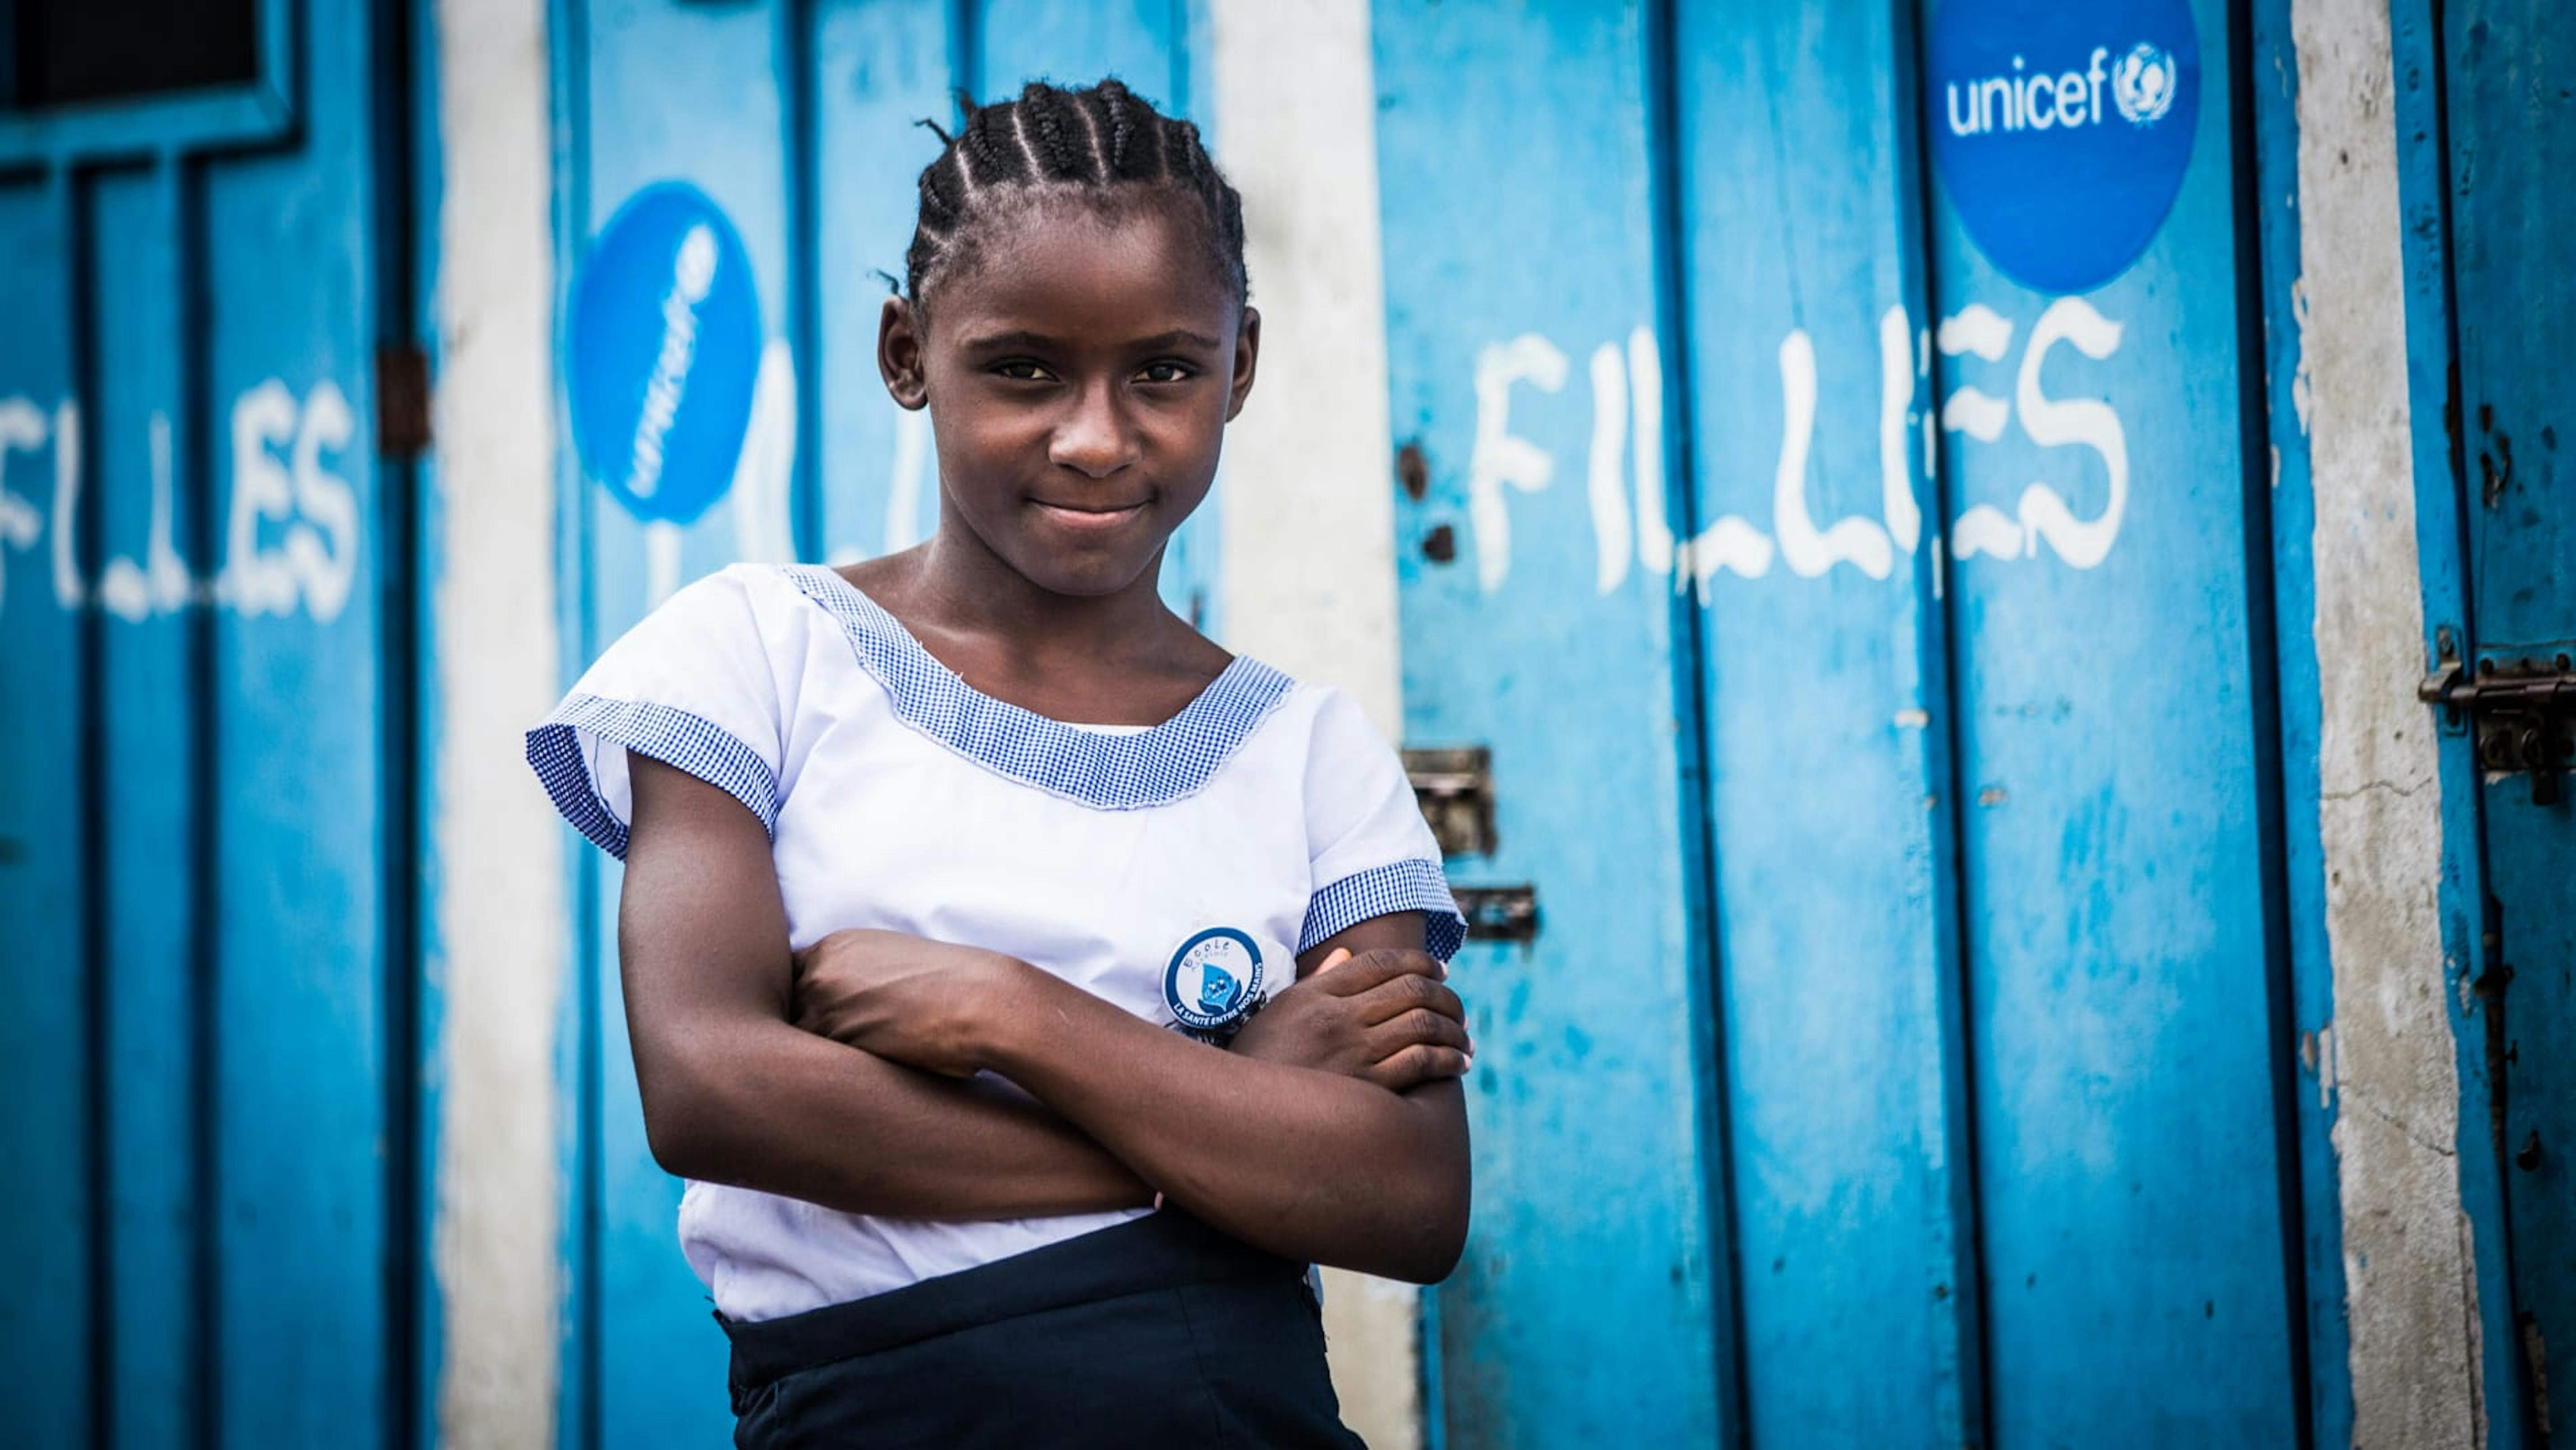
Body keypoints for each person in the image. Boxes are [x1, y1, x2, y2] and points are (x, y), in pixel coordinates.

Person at [526, 77, 1473, 1448]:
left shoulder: (1307, 754)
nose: (1095, 436)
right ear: (907, 354)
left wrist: (1009, 1014)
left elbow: (1406, 1200)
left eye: (1163, 371)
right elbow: (711, 1087)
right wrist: (1219, 1106)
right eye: (1023, 367)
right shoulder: (757, 658)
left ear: (1240, 368)